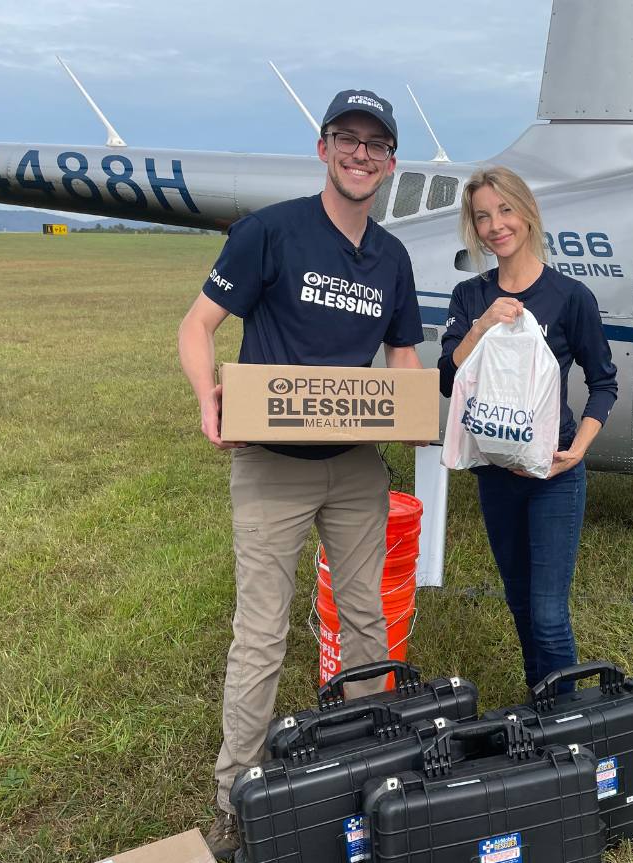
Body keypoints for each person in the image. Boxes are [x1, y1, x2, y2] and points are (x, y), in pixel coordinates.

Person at [177, 89, 422, 860]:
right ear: (322, 148)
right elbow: (198, 325)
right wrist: (207, 400)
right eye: (345, 139)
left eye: (374, 144)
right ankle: (234, 793)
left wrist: (412, 408)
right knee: (261, 632)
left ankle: (361, 766)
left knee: (364, 623)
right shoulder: (269, 232)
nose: (359, 154)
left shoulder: (392, 256)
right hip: (271, 466)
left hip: (355, 468)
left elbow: (404, 357)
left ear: (389, 162)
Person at [437, 166, 617, 696]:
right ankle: (542, 706)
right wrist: (483, 324)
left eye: (505, 210)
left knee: (547, 613)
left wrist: (577, 450)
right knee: (518, 601)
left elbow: (603, 382)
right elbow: (450, 378)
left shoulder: (569, 297)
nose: (497, 226)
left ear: (527, 212)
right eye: (483, 216)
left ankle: (566, 726)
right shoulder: (471, 296)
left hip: (553, 476)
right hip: (496, 474)